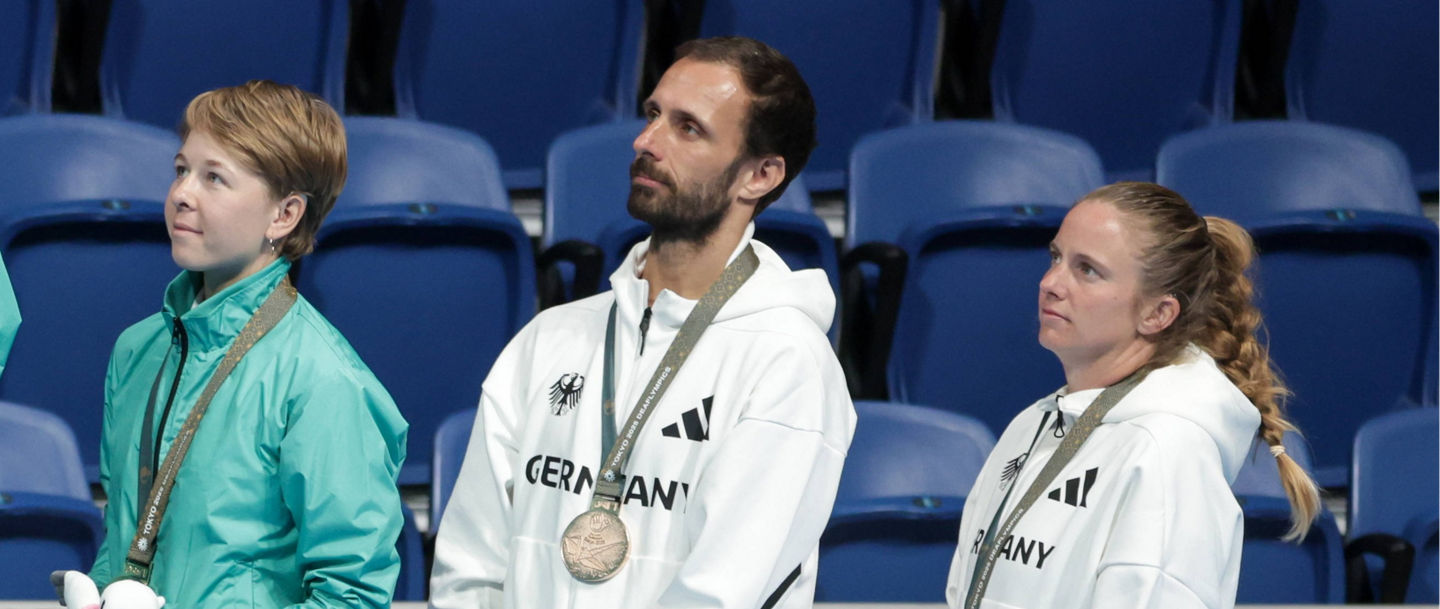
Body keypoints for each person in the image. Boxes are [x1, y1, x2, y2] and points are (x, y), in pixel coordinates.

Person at [430, 37, 854, 609]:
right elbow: (469, 569)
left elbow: (719, 596)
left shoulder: (787, 363)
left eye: (688, 128)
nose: (645, 141)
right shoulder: (549, 338)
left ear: (760, 175)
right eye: (653, 114)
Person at [84, 80, 408, 607]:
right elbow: (127, 532)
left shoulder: (323, 380)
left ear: (284, 215)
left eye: (215, 178)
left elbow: (352, 595)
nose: (182, 193)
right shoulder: (137, 349)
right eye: (181, 169)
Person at [946, 182, 1320, 609]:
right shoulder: (1031, 425)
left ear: (1157, 313)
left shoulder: (1167, 452)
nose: (1050, 282)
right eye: (1056, 257)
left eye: (1087, 269)